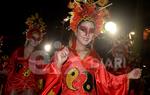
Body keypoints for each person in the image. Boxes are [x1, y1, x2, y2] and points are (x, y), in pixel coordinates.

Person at [42, 0, 142, 95]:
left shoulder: (95, 57)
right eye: (83, 29)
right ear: (76, 31)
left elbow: (107, 82)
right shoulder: (63, 53)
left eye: (91, 31)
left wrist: (128, 76)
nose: (87, 34)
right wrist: (58, 65)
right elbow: (48, 83)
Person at [4, 13, 46, 95]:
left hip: (30, 82)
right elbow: (10, 66)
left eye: (38, 39)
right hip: (15, 81)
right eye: (33, 38)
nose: (35, 40)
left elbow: (42, 71)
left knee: (30, 91)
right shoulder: (18, 51)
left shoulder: (38, 56)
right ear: (29, 37)